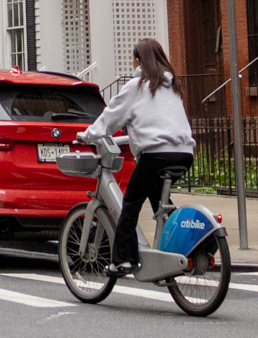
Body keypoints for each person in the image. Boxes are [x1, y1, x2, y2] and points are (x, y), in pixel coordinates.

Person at [79, 39, 195, 276]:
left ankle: (123, 260)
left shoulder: (137, 86)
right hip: (184, 153)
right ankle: (179, 245)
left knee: (130, 204)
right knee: (161, 202)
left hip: (156, 155)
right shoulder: (172, 86)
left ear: (138, 60)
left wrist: (87, 135)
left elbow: (110, 118)